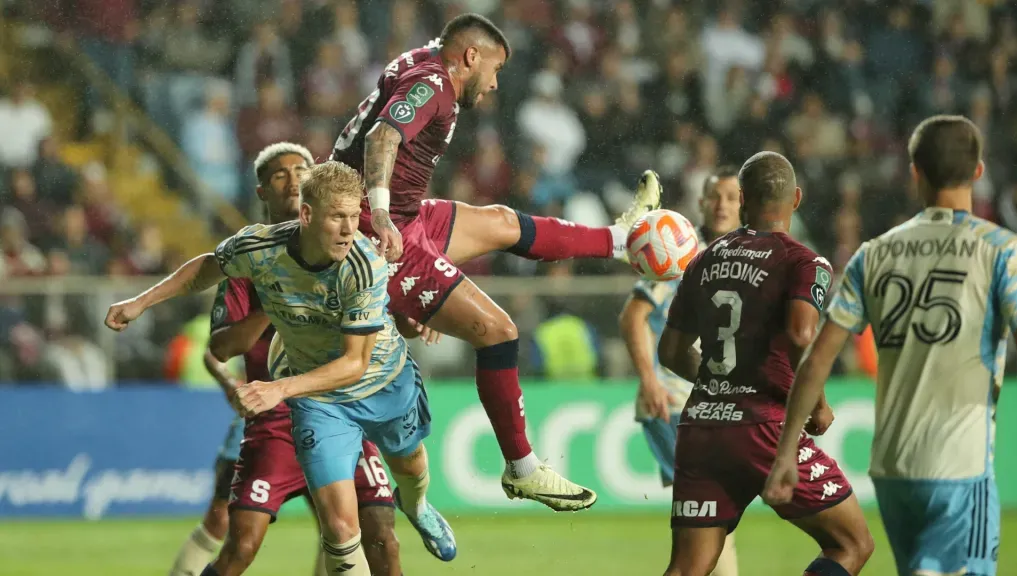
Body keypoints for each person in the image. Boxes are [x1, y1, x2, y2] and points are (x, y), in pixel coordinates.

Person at [332, 12, 662, 511]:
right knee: (499, 330)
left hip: (403, 216)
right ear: (470, 57)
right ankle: (522, 468)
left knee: (504, 222)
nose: (493, 83)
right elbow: (383, 137)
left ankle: (624, 238)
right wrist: (379, 214)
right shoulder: (434, 83)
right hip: (379, 230)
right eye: (496, 68)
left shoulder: (424, 62)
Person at [105, 161, 454, 576]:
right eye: (337, 217)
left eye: (352, 217)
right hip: (317, 404)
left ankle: (416, 504)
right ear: (307, 215)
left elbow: (355, 364)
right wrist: (141, 302)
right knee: (341, 532)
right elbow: (208, 267)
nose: (348, 229)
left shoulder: (362, 265)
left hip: (381, 385)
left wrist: (278, 388)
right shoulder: (258, 249)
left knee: (409, 471)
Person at [764, 115, 1017, 576]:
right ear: (978, 171)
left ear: (914, 171)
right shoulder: (1001, 250)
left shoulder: (874, 253)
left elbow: (817, 358)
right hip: (961, 465)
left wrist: (786, 455)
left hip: (893, 469)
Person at [167, 143, 405, 576]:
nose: (293, 179)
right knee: (232, 534)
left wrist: (421, 317)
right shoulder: (248, 257)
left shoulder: (348, 249)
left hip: (338, 408)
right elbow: (217, 348)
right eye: (281, 175)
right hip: (271, 416)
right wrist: (274, 300)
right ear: (263, 191)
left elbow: (377, 310)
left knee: (369, 533)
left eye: (302, 170)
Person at [657, 151, 874, 576]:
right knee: (851, 543)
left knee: (687, 568)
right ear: (795, 198)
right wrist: (816, 403)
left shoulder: (703, 260)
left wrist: (723, 386)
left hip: (700, 425)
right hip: (763, 426)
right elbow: (800, 334)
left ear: (742, 199)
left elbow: (670, 352)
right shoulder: (804, 262)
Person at [618, 166, 742, 576]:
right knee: (709, 517)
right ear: (702, 202)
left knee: (710, 518)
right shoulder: (682, 248)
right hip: (674, 397)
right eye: (715, 196)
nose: (722, 204)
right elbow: (633, 316)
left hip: (709, 399)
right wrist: (650, 379)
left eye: (731, 196)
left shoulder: (744, 254)